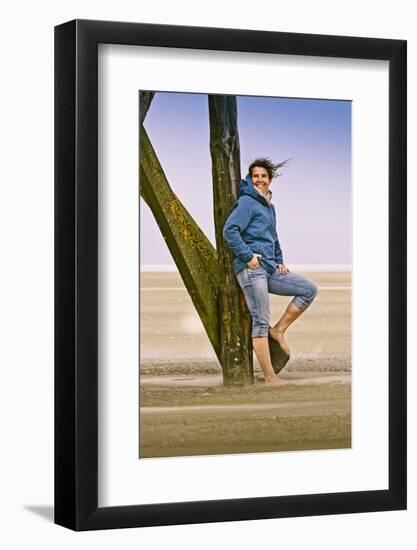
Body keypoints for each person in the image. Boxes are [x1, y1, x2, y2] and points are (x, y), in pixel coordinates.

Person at [223, 158, 318, 386]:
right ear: (250, 178)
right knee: (260, 321)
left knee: (308, 289)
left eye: (263, 176)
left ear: (269, 179)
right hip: (251, 269)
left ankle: (279, 331)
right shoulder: (247, 202)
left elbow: (273, 237)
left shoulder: (269, 206)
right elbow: (230, 230)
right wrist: (247, 256)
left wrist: (279, 261)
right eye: (255, 176)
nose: (260, 179)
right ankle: (269, 377)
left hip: (269, 268)